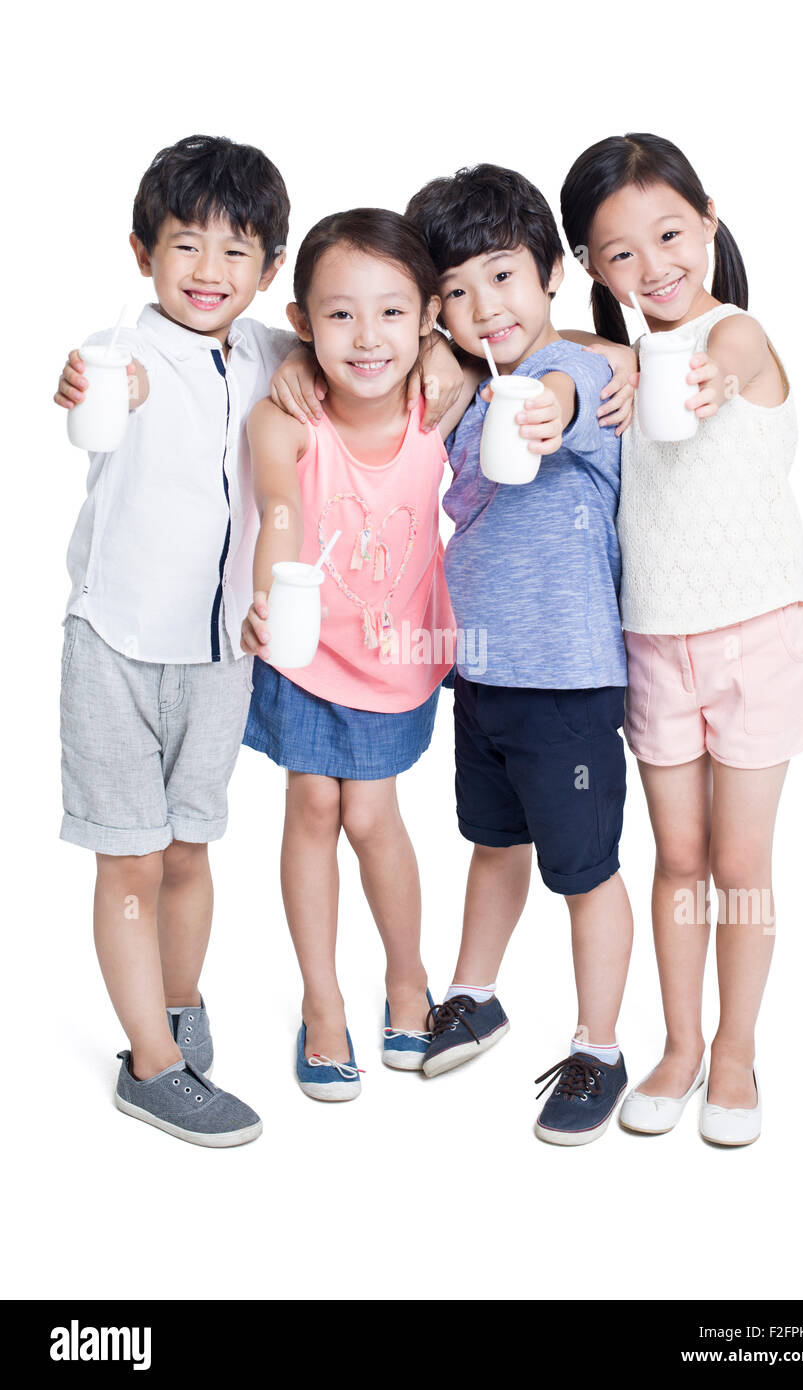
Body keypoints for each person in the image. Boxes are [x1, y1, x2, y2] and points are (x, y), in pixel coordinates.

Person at [240, 208, 566, 1100]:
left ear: (427, 315)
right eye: (339, 315)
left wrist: (452, 356)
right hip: (304, 654)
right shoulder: (287, 418)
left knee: (373, 818)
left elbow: (546, 344)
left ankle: (406, 979)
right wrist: (270, 597)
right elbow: (278, 510)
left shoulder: (444, 399)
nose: (367, 335)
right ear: (302, 323)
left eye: (393, 311)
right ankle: (320, 1002)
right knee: (312, 807)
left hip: (398, 658)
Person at [560, 132, 803, 1145]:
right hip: (651, 644)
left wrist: (694, 377)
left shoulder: (735, 336)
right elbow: (570, 342)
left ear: (708, 221)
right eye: (617, 252)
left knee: (739, 860)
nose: (652, 265)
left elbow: (723, 357)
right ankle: (676, 1043)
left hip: (756, 636)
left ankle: (734, 1051)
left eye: (669, 233)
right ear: (591, 267)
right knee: (676, 856)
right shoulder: (623, 365)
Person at [54, 133, 295, 1146]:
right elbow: (88, 394)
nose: (208, 271)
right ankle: (148, 1066)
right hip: (116, 643)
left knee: (191, 845)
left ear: (269, 269)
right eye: (185, 245)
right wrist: (86, 382)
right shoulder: (121, 350)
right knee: (131, 861)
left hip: (220, 657)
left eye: (235, 250)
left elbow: (382, 346)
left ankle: (178, 1008)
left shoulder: (274, 352)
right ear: (142, 252)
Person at [404, 164, 636, 1145]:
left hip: (569, 682)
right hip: (485, 676)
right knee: (491, 842)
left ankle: (598, 1045)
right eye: (452, 289)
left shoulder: (571, 373)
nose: (477, 305)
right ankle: (474, 991)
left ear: (546, 272)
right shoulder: (461, 390)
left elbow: (564, 389)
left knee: (582, 869)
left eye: (499, 276)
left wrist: (542, 401)